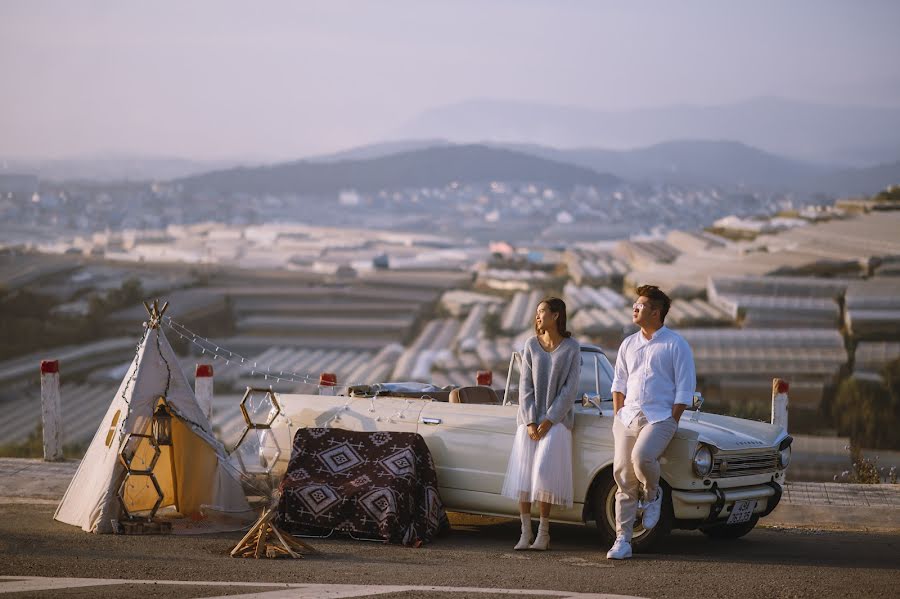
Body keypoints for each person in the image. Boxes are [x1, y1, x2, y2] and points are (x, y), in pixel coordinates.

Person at [606, 285, 696, 560]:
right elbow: (618, 382)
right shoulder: (628, 344)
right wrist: (618, 414)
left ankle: (653, 493)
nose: (635, 308)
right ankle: (622, 539)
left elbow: (685, 387)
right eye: (635, 304)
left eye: (641, 305)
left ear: (656, 312)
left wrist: (673, 418)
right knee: (622, 473)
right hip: (627, 417)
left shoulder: (676, 344)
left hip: (661, 418)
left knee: (643, 457)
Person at [501, 297, 581, 551]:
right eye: (536, 312)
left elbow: (569, 391)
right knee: (524, 475)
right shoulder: (531, 346)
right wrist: (531, 421)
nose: (537, 317)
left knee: (544, 473)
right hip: (529, 420)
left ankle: (544, 533)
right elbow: (524, 385)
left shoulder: (572, 348)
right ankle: (525, 531)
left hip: (556, 421)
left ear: (556, 315)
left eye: (542, 312)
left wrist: (548, 421)